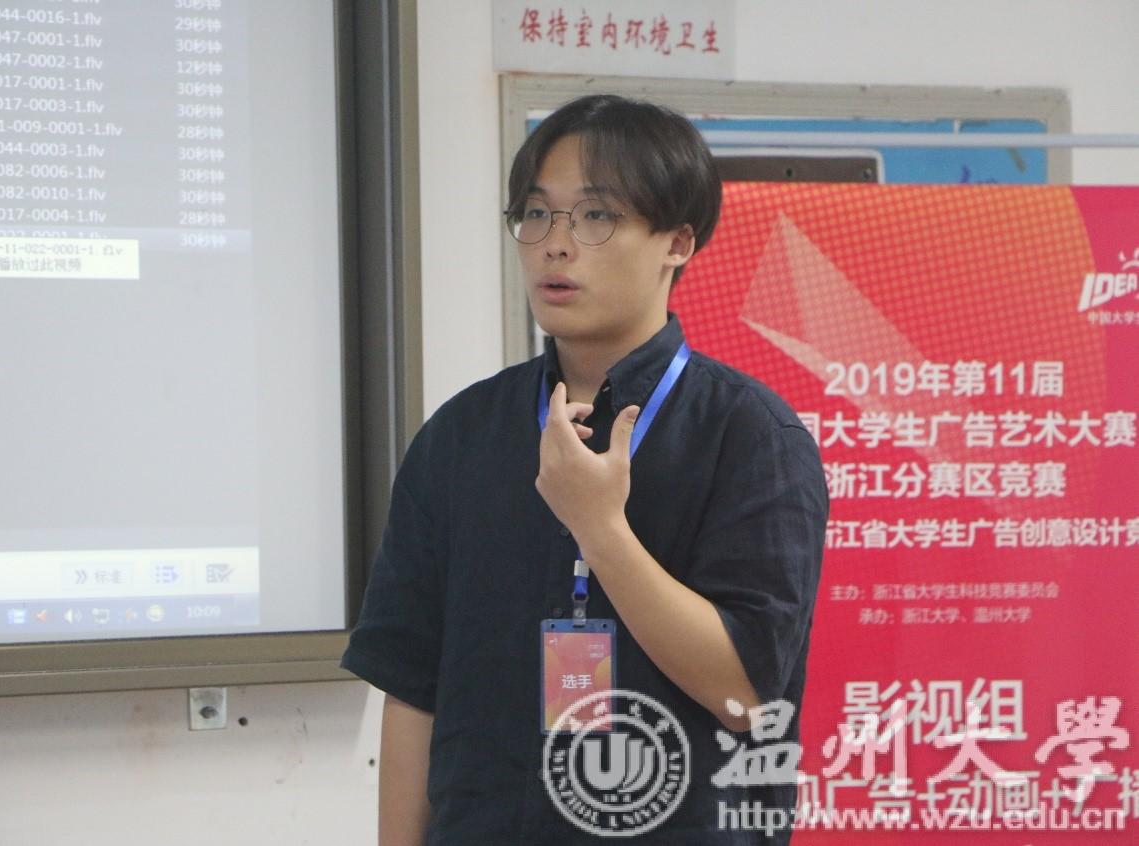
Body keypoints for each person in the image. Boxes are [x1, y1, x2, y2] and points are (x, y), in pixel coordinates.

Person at [342, 94, 828, 845]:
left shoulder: (749, 436)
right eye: (536, 214)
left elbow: (743, 693)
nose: (555, 245)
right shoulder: (464, 434)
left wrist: (599, 527)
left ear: (677, 241)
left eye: (595, 215)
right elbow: (411, 688)